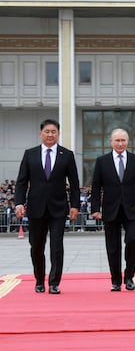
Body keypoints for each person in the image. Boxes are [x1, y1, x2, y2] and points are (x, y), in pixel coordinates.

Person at [14, 119, 81, 294]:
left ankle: (54, 282)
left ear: (58, 134)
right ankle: (38, 280)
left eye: (53, 132)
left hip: (58, 208)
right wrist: (19, 203)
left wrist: (75, 205)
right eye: (47, 131)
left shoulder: (67, 155)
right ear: (40, 133)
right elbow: (21, 182)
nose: (50, 134)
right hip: (36, 208)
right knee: (36, 246)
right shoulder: (30, 154)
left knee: (56, 246)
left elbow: (74, 183)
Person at [90, 128, 135, 292]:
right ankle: (115, 280)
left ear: (128, 141)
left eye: (123, 140)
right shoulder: (102, 161)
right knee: (112, 247)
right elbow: (96, 186)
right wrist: (95, 208)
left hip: (132, 209)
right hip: (110, 209)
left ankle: (129, 276)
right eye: (117, 140)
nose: (120, 143)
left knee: (132, 241)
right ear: (111, 141)